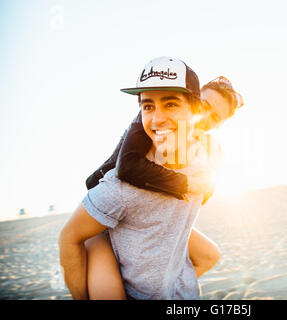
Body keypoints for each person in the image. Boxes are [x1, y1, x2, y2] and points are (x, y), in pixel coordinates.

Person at [59, 57, 240, 300]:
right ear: (196, 100)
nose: (206, 117)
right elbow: (128, 168)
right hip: (105, 189)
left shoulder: (203, 148)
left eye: (215, 118)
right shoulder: (144, 129)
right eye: (205, 105)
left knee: (210, 254)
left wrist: (206, 182)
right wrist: (187, 184)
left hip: (146, 213)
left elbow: (201, 190)